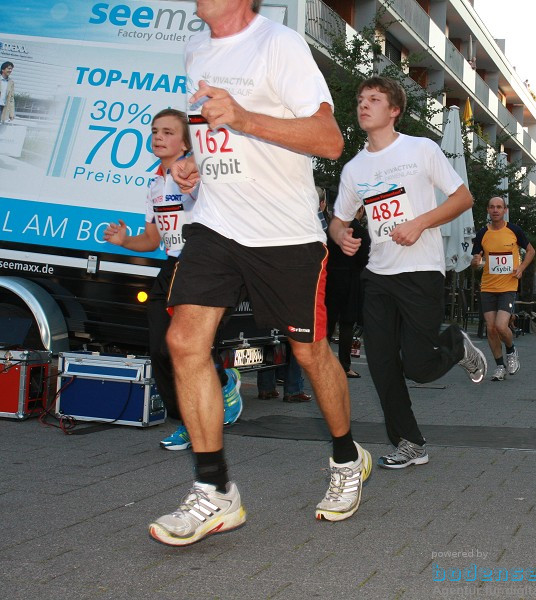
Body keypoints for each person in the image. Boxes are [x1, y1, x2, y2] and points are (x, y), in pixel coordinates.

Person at [149, 0, 366, 547]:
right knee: (183, 339)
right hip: (216, 224)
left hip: (284, 234)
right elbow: (217, 132)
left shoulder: (280, 45)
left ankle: (346, 456)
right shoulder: (196, 50)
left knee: (309, 353)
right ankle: (216, 490)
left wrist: (243, 118)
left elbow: (329, 140)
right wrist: (198, 158)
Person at [330, 76, 487, 470]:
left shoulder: (421, 149)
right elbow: (338, 219)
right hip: (377, 275)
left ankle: (455, 342)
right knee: (382, 366)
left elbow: (463, 197)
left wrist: (419, 223)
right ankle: (409, 442)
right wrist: (341, 237)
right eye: (361, 99)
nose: (364, 105)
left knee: (418, 365)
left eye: (375, 99)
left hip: (420, 270)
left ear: (394, 109)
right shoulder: (354, 168)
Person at [102, 108, 243, 452]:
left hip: (201, 265)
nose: (158, 137)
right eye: (154, 131)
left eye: (167, 132)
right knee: (158, 350)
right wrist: (124, 241)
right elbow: (151, 239)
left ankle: (222, 384)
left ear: (185, 141)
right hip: (171, 265)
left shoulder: (197, 174)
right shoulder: (153, 183)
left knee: (183, 345)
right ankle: (185, 421)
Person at [471, 196, 535, 381]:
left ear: (505, 210)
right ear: (488, 210)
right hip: (488, 286)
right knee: (491, 329)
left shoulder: (514, 230)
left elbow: (531, 251)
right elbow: (476, 261)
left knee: (501, 325)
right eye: (492, 207)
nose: (495, 210)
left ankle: (511, 350)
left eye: (499, 207)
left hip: (508, 285)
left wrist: (521, 268)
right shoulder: (483, 233)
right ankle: (500, 366)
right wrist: (475, 262)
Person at [323, 188, 370, 379]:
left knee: (328, 322)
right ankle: (344, 365)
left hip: (331, 278)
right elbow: (365, 260)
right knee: (347, 324)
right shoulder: (361, 232)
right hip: (351, 281)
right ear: (359, 211)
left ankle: (323, 363)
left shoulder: (331, 230)